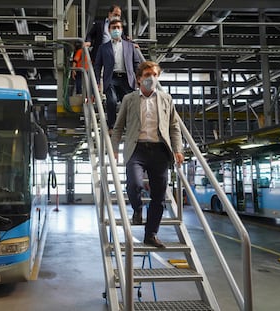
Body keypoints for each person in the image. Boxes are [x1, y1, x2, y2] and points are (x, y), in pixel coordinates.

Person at [111, 61, 184, 248]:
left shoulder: (166, 99)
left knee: (159, 196)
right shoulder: (129, 99)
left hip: (159, 150)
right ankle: (137, 208)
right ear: (139, 79)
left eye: (154, 75)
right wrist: (114, 149)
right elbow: (118, 127)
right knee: (134, 184)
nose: (151, 78)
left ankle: (151, 234)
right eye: (147, 75)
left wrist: (177, 150)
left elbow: (174, 127)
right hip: (137, 149)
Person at [94, 18, 141, 132]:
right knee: (112, 100)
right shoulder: (103, 48)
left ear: (121, 30)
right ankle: (112, 126)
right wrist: (97, 82)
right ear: (109, 30)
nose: (116, 30)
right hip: (111, 78)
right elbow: (97, 65)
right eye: (113, 28)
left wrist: (139, 78)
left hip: (126, 79)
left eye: (118, 28)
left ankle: (130, 125)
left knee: (130, 102)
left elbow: (137, 63)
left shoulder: (130, 46)